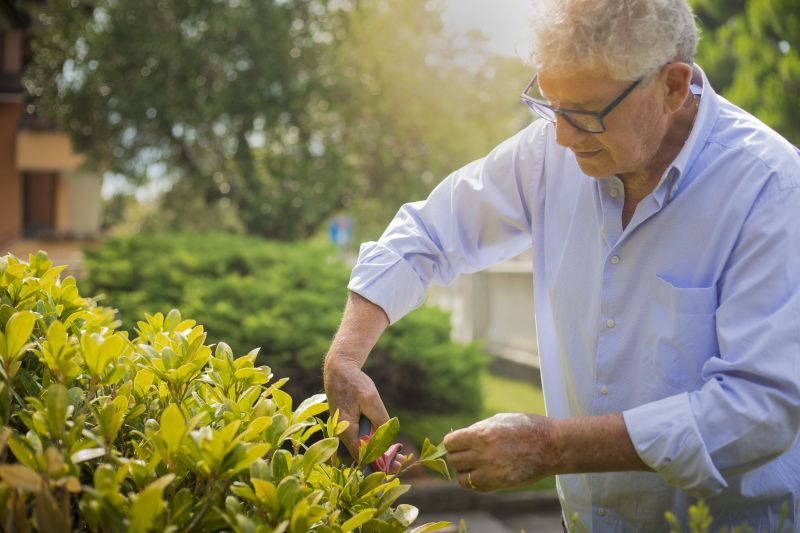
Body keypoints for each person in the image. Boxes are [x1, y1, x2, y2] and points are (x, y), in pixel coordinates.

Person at [323, 0, 800, 530]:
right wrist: (346, 357)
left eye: (586, 113)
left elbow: (760, 409)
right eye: (550, 104)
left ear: (672, 85)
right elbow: (428, 232)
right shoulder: (551, 150)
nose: (563, 137)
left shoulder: (771, 187)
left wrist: (554, 446)